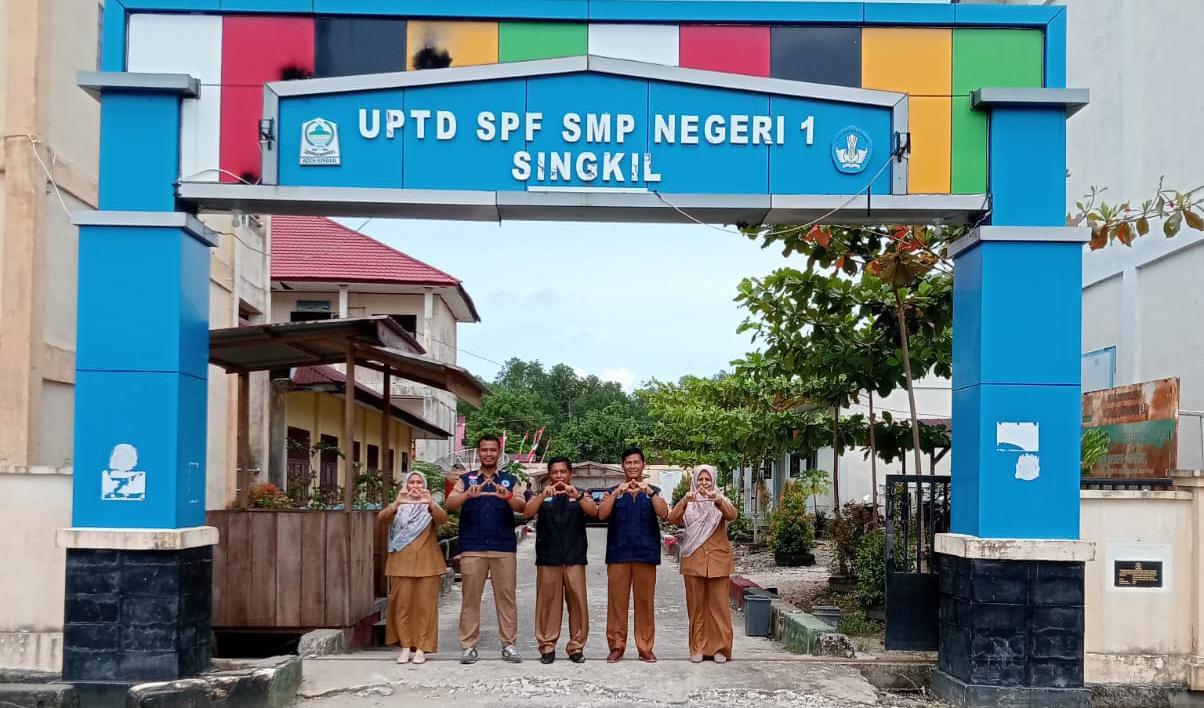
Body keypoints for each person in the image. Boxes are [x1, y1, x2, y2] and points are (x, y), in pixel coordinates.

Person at [445, 435, 526, 664]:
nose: (488, 453)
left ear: (499, 452)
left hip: (503, 546)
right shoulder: (466, 479)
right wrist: (466, 495)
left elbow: (523, 507)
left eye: (492, 450)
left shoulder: (510, 480)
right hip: (473, 546)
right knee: (470, 598)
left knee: (506, 598)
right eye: (484, 450)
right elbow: (449, 504)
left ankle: (509, 645)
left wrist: (507, 496)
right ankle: (468, 646)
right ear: (478, 453)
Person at [522, 456, 597, 664]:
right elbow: (527, 513)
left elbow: (594, 512)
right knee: (547, 605)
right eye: (555, 472)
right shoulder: (542, 496)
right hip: (548, 558)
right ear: (549, 475)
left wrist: (578, 496)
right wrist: (541, 496)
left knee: (578, 604)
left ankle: (576, 647)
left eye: (563, 472)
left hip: (574, 558)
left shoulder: (580, 494)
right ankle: (547, 647)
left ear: (570, 474)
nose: (559, 476)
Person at [597, 446, 668, 663]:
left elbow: (664, 513)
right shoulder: (613, 491)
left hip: (645, 554)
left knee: (645, 602)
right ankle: (616, 646)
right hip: (618, 554)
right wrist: (617, 492)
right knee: (617, 603)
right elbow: (601, 514)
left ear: (643, 465)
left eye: (636, 462)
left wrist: (650, 492)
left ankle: (645, 646)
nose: (632, 466)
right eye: (628, 462)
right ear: (622, 466)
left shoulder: (653, 491)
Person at [667, 465, 738, 663]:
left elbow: (732, 515)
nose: (704, 483)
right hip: (693, 560)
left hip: (718, 561)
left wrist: (718, 500)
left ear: (713, 481)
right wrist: (685, 500)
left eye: (707, 480)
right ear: (694, 481)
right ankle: (697, 647)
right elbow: (672, 518)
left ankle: (721, 649)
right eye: (700, 479)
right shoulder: (688, 503)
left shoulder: (720, 500)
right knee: (696, 607)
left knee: (719, 608)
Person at [378, 471, 448, 665]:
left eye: (419, 483)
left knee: (425, 608)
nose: (415, 486)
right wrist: (397, 503)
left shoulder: (429, 507)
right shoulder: (399, 507)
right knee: (402, 607)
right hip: (400, 564)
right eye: (412, 482)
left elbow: (442, 519)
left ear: (424, 486)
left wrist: (430, 502)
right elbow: (382, 519)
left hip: (428, 565)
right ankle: (405, 646)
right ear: (406, 486)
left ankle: (422, 648)